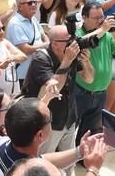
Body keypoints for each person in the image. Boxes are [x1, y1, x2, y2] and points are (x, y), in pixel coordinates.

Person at [22, 24, 94, 159]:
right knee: (46, 162)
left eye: (72, 39)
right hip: (49, 123)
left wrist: (86, 62)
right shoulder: (41, 58)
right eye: (68, 41)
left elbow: (89, 79)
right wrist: (67, 60)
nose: (72, 44)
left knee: (68, 162)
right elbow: (54, 89)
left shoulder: (70, 56)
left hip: (69, 119)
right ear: (54, 44)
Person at [74, 2, 115, 143]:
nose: (101, 21)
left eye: (102, 17)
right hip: (81, 92)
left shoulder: (107, 35)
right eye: (96, 18)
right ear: (84, 18)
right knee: (72, 126)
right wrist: (103, 30)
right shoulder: (78, 33)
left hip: (101, 92)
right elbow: (79, 43)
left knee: (90, 129)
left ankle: (83, 157)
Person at [5, 0, 49, 84]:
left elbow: (43, 35)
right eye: (29, 3)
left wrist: (46, 42)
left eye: (35, 2)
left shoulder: (33, 19)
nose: (33, 5)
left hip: (36, 71)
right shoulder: (15, 24)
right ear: (20, 6)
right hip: (23, 75)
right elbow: (26, 49)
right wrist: (45, 45)